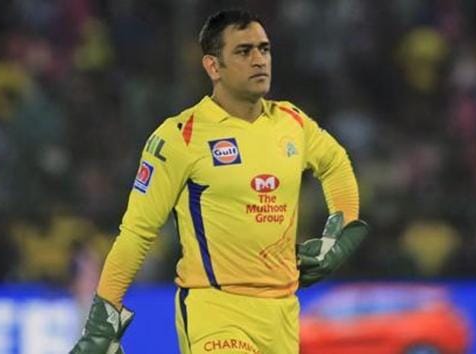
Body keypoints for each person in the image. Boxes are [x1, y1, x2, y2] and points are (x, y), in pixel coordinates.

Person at [71, 9, 368, 354]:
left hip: (283, 312)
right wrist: (101, 320)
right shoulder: (181, 137)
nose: (259, 60)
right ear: (213, 67)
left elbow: (335, 163)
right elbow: (137, 233)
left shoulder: (292, 123)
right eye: (244, 51)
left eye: (264, 49)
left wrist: (340, 230)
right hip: (214, 310)